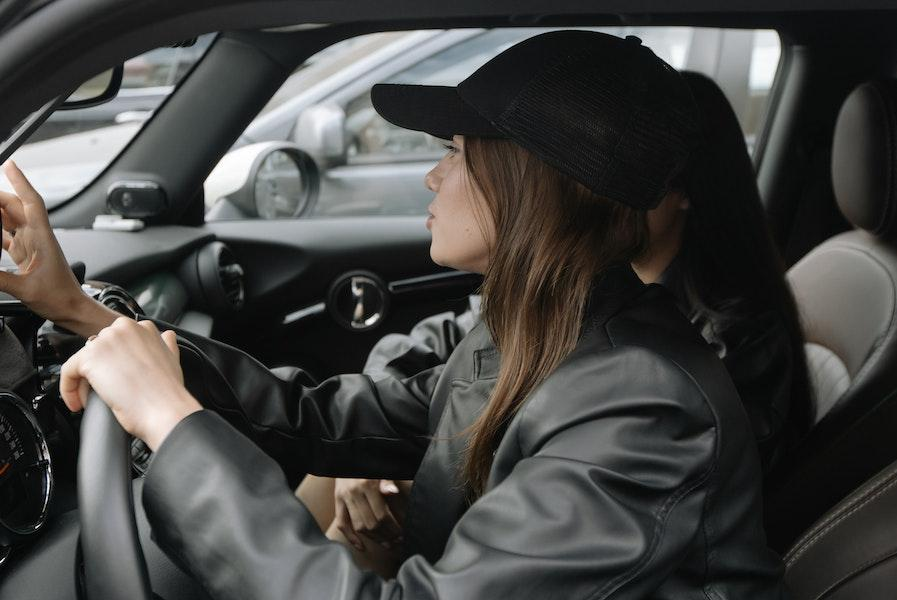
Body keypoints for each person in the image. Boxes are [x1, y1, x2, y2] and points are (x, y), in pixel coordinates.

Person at [0, 31, 788, 599]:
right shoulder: (544, 329)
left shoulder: (643, 405)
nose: (431, 178)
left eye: (455, 152)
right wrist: (78, 310)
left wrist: (173, 426)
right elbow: (323, 416)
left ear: (530, 188)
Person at [299, 71, 813, 575]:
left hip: (567, 543)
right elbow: (450, 350)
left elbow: (610, 499)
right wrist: (358, 459)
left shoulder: (693, 361)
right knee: (339, 483)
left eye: (632, 168)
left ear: (683, 189)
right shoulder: (578, 298)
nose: (604, 181)